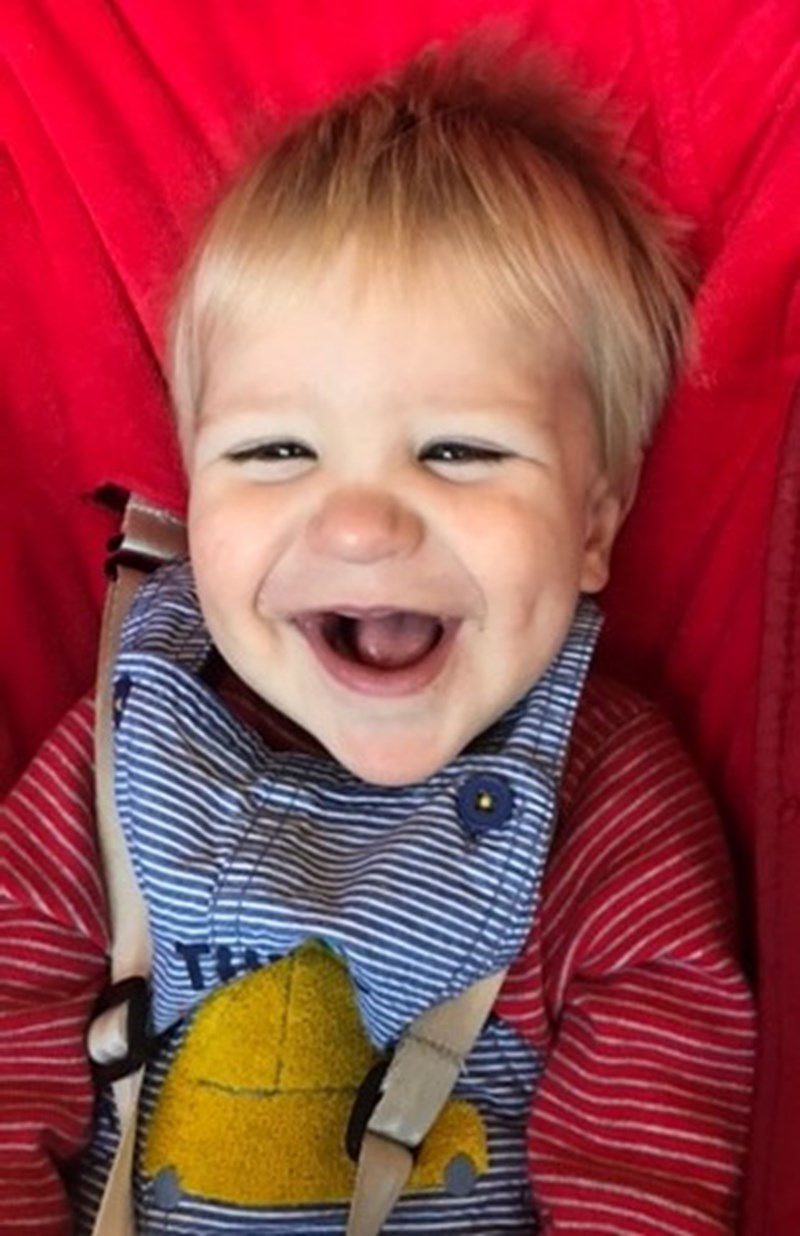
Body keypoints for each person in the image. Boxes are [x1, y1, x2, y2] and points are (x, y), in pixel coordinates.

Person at [0, 42, 754, 1236]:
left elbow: (644, 1148)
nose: (356, 524)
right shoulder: (119, 750)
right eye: (274, 451)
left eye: (457, 450)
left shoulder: (607, 798)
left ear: (590, 526)